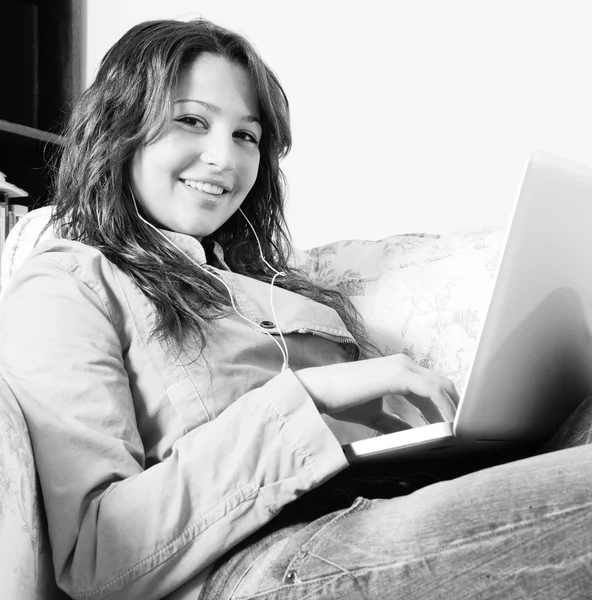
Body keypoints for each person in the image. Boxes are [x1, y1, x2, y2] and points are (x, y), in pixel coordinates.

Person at [0, 17, 590, 600]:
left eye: (246, 136)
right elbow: (98, 554)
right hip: (261, 559)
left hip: (389, 498)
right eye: (191, 121)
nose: (223, 158)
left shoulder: (268, 283)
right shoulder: (68, 282)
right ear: (120, 126)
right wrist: (310, 396)